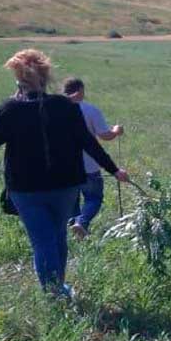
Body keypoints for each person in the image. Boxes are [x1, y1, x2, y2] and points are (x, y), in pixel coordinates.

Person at [0, 50, 128, 296]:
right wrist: (113, 170)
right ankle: (59, 287)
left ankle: (54, 294)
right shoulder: (65, 106)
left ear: (18, 79)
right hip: (66, 185)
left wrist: (9, 104)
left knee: (42, 240)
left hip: (25, 188)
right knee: (58, 235)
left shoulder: (10, 108)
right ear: (47, 77)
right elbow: (88, 142)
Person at [63, 78, 123, 239]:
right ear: (80, 91)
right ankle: (81, 223)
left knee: (72, 200)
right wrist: (116, 131)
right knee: (94, 198)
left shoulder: (57, 110)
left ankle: (74, 231)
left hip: (65, 165)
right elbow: (105, 136)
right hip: (89, 164)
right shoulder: (90, 110)